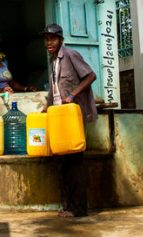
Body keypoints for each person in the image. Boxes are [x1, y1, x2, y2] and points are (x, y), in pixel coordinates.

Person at [40, 23, 97, 218]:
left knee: (74, 163)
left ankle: (79, 209)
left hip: (72, 117)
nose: (49, 42)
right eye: (46, 39)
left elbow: (90, 75)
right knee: (62, 163)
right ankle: (68, 207)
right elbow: (55, 89)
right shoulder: (53, 60)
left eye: (53, 39)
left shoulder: (70, 54)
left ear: (61, 40)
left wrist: (72, 94)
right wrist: (47, 107)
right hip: (58, 117)